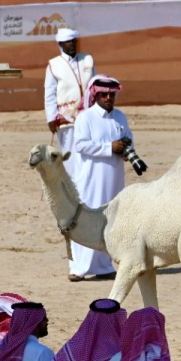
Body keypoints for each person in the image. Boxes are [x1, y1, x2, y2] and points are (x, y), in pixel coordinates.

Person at [64, 75, 132, 282]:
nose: (108, 98)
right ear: (96, 95)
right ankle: (78, 268)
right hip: (91, 179)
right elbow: (81, 145)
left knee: (108, 219)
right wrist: (108, 148)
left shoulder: (120, 117)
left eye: (112, 94)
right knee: (87, 219)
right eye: (104, 94)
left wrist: (127, 151)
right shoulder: (86, 118)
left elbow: (130, 140)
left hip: (114, 178)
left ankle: (103, 266)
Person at [43, 27, 94, 145]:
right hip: (66, 119)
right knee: (69, 156)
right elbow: (50, 94)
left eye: (74, 41)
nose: (72, 44)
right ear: (61, 44)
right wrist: (51, 118)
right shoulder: (53, 65)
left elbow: (95, 85)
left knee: (89, 152)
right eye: (68, 42)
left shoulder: (87, 59)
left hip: (89, 115)